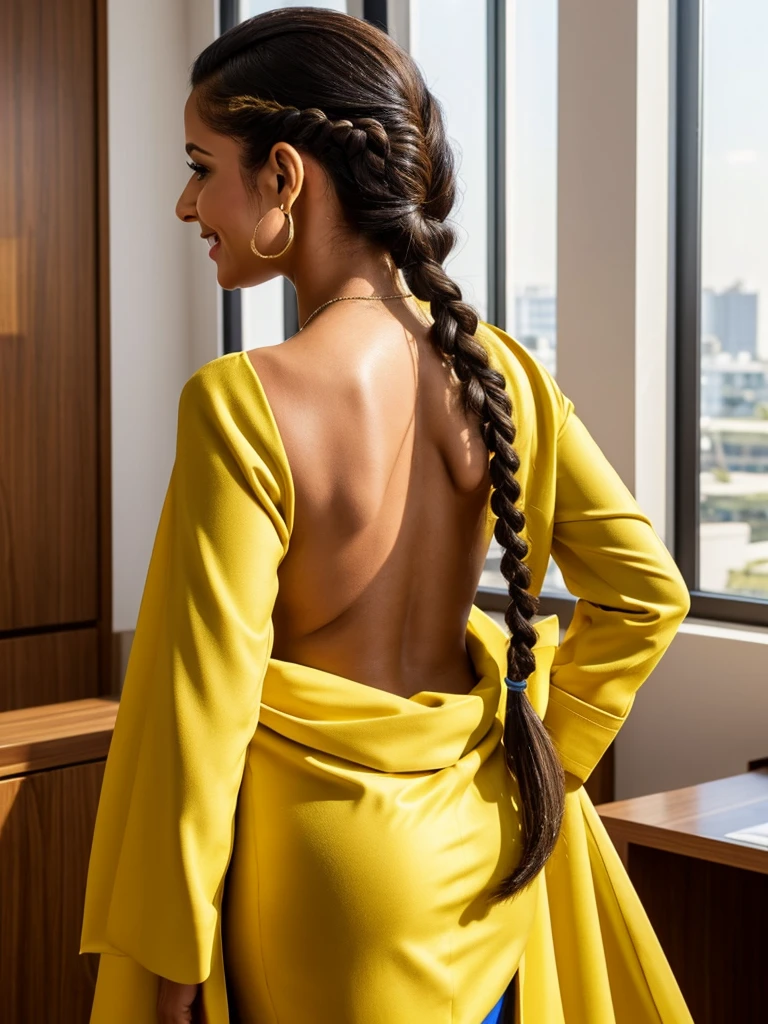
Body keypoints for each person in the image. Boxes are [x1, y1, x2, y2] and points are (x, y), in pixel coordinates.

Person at [79, 8, 694, 1024]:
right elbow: (647, 595)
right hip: (492, 849)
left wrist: (172, 952)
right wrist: (551, 758)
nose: (188, 204)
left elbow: (199, 713)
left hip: (326, 880)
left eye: (202, 166)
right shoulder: (507, 379)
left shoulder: (243, 403)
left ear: (285, 174)